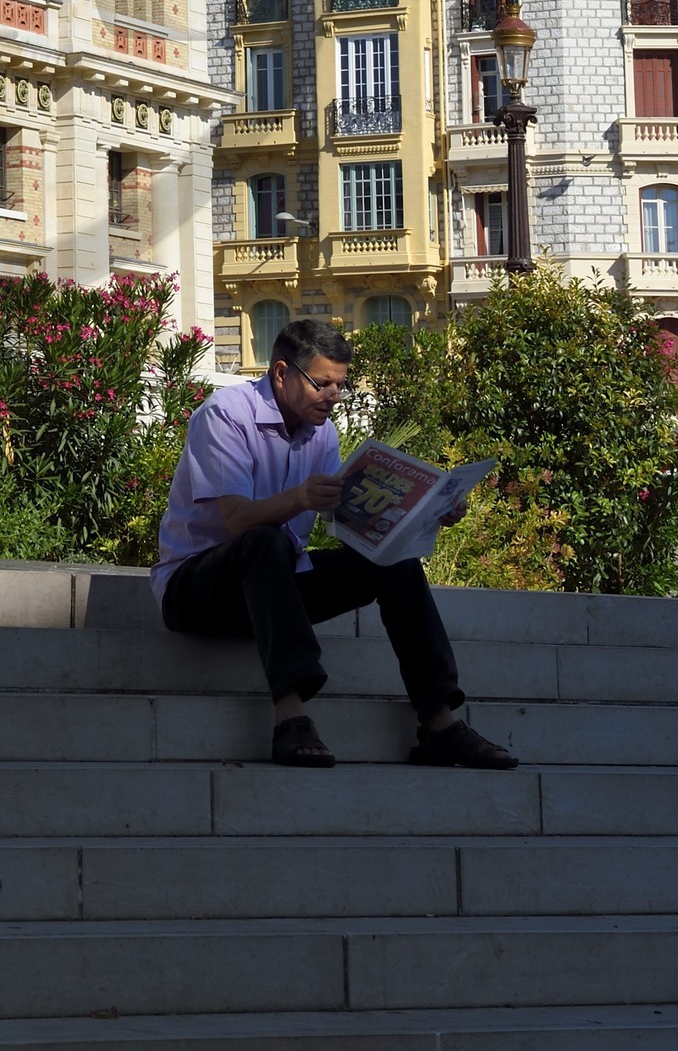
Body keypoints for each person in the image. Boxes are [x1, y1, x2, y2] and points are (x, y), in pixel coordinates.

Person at [154, 317, 516, 770]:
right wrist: (299, 498)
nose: (333, 396)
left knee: (395, 563)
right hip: (198, 589)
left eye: (339, 386)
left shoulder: (322, 431)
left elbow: (346, 519)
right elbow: (235, 519)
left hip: (275, 585)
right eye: (322, 384)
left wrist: (428, 512)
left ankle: (439, 722)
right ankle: (290, 718)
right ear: (282, 374)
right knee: (265, 541)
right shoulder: (226, 414)